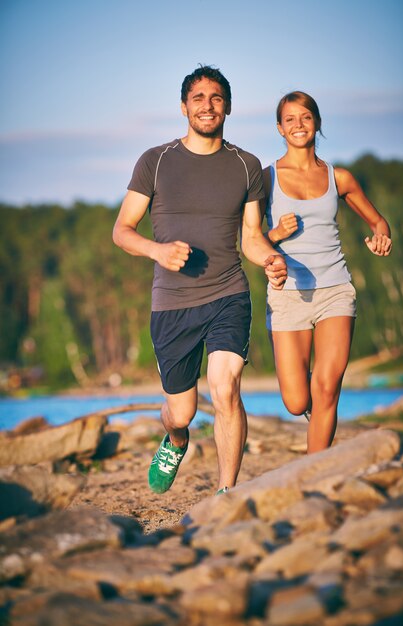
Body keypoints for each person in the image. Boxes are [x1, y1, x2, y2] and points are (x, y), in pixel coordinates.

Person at [113, 65, 287, 494]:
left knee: (225, 387)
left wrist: (270, 259)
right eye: (198, 98)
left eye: (216, 98)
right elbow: (122, 230)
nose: (207, 106)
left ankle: (227, 494)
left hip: (228, 292)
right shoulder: (155, 162)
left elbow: (250, 237)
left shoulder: (246, 166)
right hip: (172, 304)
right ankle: (174, 439)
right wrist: (157, 250)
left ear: (227, 106)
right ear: (183, 107)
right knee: (182, 413)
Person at [262, 91, 392, 454]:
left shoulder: (340, 178)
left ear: (317, 123)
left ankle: (313, 473)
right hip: (288, 293)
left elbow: (378, 221)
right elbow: (250, 239)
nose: (298, 125)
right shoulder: (266, 178)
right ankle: (309, 410)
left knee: (327, 389)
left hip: (335, 289)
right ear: (279, 128)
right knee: (295, 400)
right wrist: (275, 235)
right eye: (290, 119)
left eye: (305, 117)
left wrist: (382, 237)